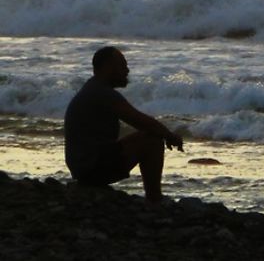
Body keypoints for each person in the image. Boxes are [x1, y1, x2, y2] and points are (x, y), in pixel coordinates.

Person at [64, 46, 184, 203]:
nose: (127, 71)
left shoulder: (92, 88)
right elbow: (140, 120)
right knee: (152, 140)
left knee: (147, 135)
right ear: (108, 67)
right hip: (91, 169)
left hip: (83, 167)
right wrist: (170, 136)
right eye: (122, 65)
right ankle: (154, 199)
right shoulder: (102, 93)